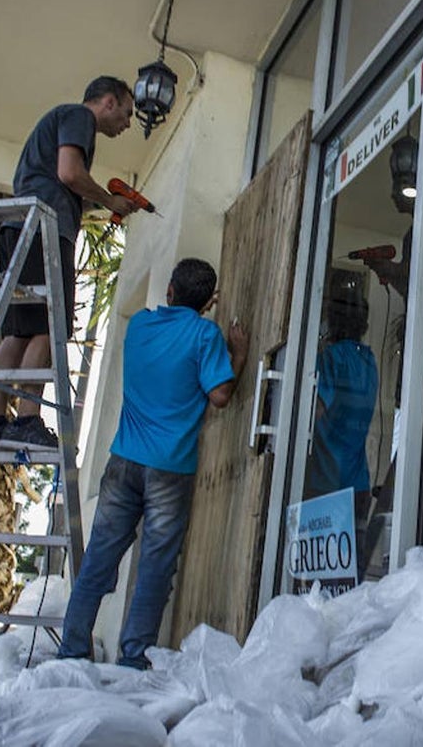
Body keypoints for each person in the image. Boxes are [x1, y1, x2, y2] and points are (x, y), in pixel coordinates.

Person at [57, 258, 248, 669]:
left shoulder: (140, 325)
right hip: (170, 470)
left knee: (99, 558)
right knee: (155, 567)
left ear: (170, 291)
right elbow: (220, 396)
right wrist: (239, 354)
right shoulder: (205, 335)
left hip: (123, 460)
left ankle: (71, 650)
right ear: (209, 302)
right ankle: (133, 658)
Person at [0, 76, 140, 451]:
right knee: (49, 326)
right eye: (126, 113)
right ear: (108, 102)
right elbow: (70, 173)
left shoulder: (58, 122)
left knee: (19, 331)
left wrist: (93, 202)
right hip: (42, 231)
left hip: (20, 228)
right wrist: (109, 201)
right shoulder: (79, 117)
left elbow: (62, 180)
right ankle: (27, 420)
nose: (127, 124)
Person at [306, 288, 379, 577]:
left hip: (327, 483)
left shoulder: (330, 359)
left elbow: (313, 412)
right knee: (348, 577)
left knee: (320, 577)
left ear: (331, 321)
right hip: (358, 482)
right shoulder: (368, 360)